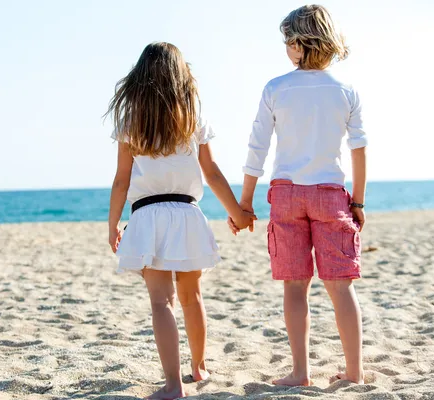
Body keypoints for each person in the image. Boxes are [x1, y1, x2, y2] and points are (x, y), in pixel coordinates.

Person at [107, 42, 256, 399]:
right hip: (187, 213)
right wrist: (237, 212)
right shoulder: (192, 118)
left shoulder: (132, 123)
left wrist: (112, 224)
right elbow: (212, 173)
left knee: (162, 302)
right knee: (192, 297)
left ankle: (173, 385)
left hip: (147, 215)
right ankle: (199, 367)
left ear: (140, 79)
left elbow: (121, 180)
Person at [230, 5, 367, 386]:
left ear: (298, 43)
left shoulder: (276, 88)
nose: (286, 48)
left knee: (295, 285)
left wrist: (245, 202)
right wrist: (358, 200)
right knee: (341, 286)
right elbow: (359, 149)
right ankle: (353, 373)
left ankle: (300, 373)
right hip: (330, 194)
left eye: (288, 40)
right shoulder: (346, 90)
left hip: (287, 195)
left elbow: (256, 149)